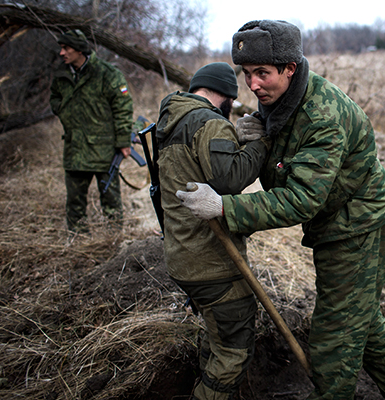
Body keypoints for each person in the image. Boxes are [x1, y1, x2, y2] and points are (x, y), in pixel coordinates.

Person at [176, 20, 385, 400]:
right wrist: (261, 138)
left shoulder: (323, 116)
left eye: (262, 74)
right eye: (246, 74)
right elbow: (286, 162)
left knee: (335, 338)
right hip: (336, 220)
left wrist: (223, 208)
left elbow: (300, 199)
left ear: (290, 68)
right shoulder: (279, 100)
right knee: (361, 325)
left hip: (356, 224)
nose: (252, 85)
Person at [155, 62, 270, 399]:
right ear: (226, 97)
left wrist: (233, 136)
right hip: (212, 262)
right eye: (232, 104)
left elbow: (195, 163)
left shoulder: (172, 119)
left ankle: (204, 385)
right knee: (233, 349)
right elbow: (229, 178)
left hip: (183, 256)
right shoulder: (209, 122)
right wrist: (258, 145)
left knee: (219, 335)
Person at [49, 29, 134, 233]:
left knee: (111, 200)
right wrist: (64, 111)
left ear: (79, 50)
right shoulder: (62, 75)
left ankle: (113, 239)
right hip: (75, 148)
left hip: (104, 150)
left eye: (66, 48)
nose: (62, 53)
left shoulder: (107, 73)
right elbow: (54, 99)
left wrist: (123, 141)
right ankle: (78, 238)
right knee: (75, 202)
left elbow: (123, 107)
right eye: (61, 48)